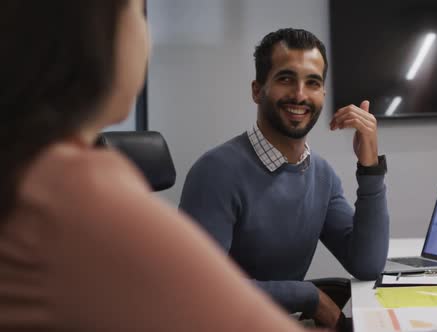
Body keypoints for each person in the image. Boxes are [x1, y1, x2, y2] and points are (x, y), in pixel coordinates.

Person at [0, 2, 315, 331]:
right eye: (138, 12)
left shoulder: (25, 169)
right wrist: (307, 295)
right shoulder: (74, 192)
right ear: (92, 35)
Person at [179, 28, 390, 328]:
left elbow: (367, 265)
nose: (300, 95)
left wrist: (370, 168)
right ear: (257, 90)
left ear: (323, 94)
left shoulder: (321, 175)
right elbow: (201, 289)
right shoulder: (215, 172)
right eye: (285, 79)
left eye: (313, 83)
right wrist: (308, 296)